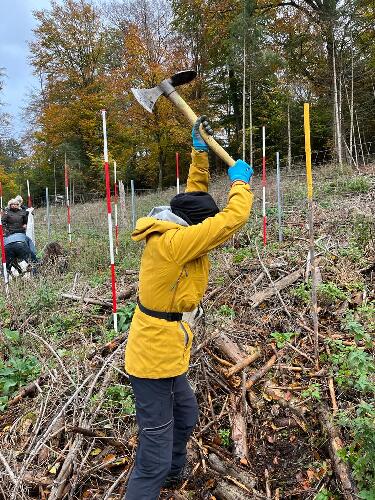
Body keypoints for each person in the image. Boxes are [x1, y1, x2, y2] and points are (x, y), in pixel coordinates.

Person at [124, 117, 254, 500]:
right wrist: (239, 184)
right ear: (194, 227)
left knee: (186, 415)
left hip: (171, 350)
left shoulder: (178, 222)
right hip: (152, 360)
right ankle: (156, 478)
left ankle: (173, 476)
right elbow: (232, 219)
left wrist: (200, 155)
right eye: (204, 226)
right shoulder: (174, 244)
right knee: (153, 456)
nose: (207, 231)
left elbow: (193, 197)